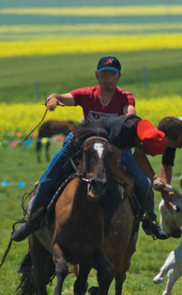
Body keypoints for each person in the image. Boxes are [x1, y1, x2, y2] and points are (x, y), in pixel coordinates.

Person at [11, 56, 167, 241]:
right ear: (97, 75)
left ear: (119, 76)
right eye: (104, 74)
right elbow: (62, 97)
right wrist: (53, 99)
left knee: (141, 182)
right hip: (80, 143)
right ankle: (32, 221)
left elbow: (129, 112)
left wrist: (130, 120)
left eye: (112, 74)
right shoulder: (87, 94)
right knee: (49, 176)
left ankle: (149, 220)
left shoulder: (125, 96)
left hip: (115, 145)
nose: (108, 79)